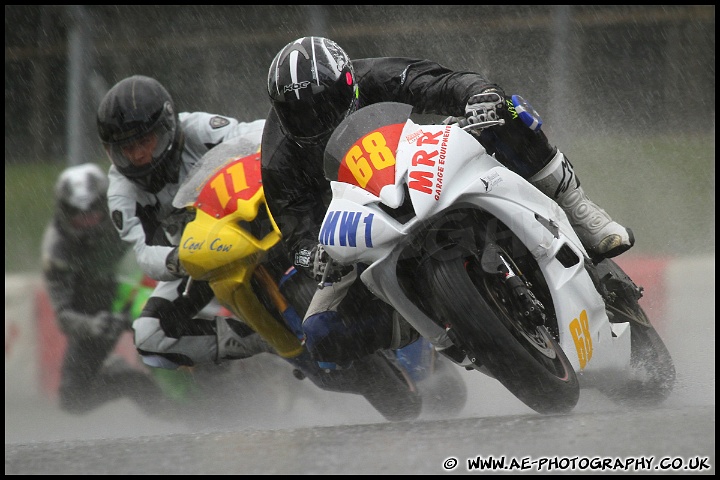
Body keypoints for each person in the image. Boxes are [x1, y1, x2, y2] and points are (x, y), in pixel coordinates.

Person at [261, 36, 635, 365]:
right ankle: (427, 320)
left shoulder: (378, 76)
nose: (314, 118)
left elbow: (445, 82)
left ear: (348, 84)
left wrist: (476, 95)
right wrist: (312, 254)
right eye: (299, 113)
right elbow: (293, 226)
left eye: (323, 104)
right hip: (363, 220)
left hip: (422, 160)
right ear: (281, 111)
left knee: (505, 108)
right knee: (322, 335)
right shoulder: (278, 153)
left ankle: (578, 206)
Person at [96, 74, 272, 370]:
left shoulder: (198, 129)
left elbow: (258, 135)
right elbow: (144, 253)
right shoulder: (121, 191)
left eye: (144, 140)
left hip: (250, 220)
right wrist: (184, 259)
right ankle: (266, 339)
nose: (138, 154)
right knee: (149, 336)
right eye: (127, 148)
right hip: (198, 256)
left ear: (166, 127)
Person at [40, 162, 165, 414]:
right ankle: (137, 386)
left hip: (146, 290)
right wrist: (92, 325)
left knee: (166, 339)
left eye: (92, 211)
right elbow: (63, 315)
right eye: (77, 213)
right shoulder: (56, 250)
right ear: (64, 211)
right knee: (73, 399)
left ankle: (197, 381)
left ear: (104, 204)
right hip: (98, 312)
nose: (86, 221)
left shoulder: (130, 209)